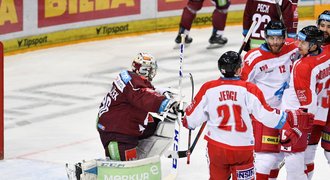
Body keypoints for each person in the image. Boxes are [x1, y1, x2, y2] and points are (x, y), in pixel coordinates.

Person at [181, 51, 313, 180]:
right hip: (242, 148)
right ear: (239, 70)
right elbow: (267, 115)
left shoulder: (208, 88)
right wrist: (286, 124)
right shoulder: (249, 89)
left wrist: (186, 118)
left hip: (217, 148)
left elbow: (190, 120)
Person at [240, 20, 299, 179]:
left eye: (279, 38)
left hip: (288, 112)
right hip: (265, 114)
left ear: (284, 37)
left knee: (279, 158)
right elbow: (240, 85)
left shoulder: (293, 47)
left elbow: (314, 46)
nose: (275, 42)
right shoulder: (254, 58)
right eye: (272, 38)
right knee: (265, 160)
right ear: (265, 37)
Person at [96, 53, 180, 161]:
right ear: (147, 71)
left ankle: (146, 159)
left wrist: (161, 92)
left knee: (161, 126)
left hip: (117, 122)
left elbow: (143, 91)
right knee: (125, 170)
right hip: (117, 132)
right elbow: (142, 96)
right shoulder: (134, 85)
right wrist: (166, 104)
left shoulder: (130, 78)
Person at [281, 25, 330, 179]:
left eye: (303, 42)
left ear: (314, 45)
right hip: (324, 111)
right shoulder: (327, 54)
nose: (299, 45)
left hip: (306, 117)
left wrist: (300, 126)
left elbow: (307, 102)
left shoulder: (302, 66)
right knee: (308, 159)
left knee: (298, 163)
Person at [304, 11, 330, 178]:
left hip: (329, 113)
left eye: (329, 27)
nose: (325, 30)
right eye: (322, 25)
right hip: (311, 112)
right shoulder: (307, 47)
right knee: (305, 158)